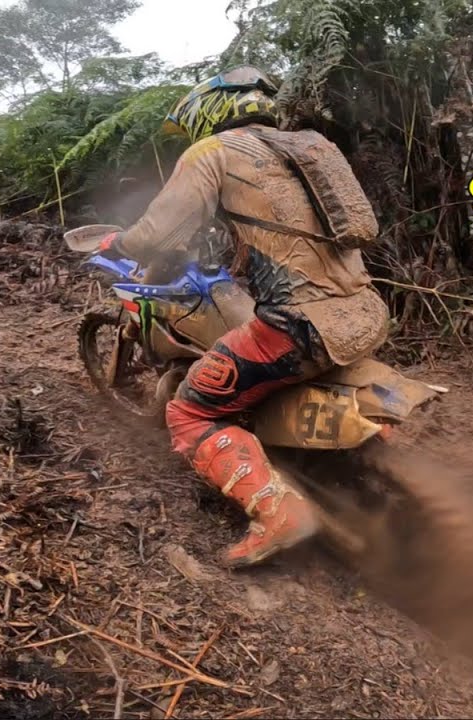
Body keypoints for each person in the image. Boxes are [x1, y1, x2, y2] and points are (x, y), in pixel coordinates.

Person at [93, 66, 390, 568]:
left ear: (207, 113)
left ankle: (278, 513)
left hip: (300, 328)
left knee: (190, 411)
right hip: (367, 312)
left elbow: (158, 234)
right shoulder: (314, 147)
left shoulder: (211, 153)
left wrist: (117, 242)